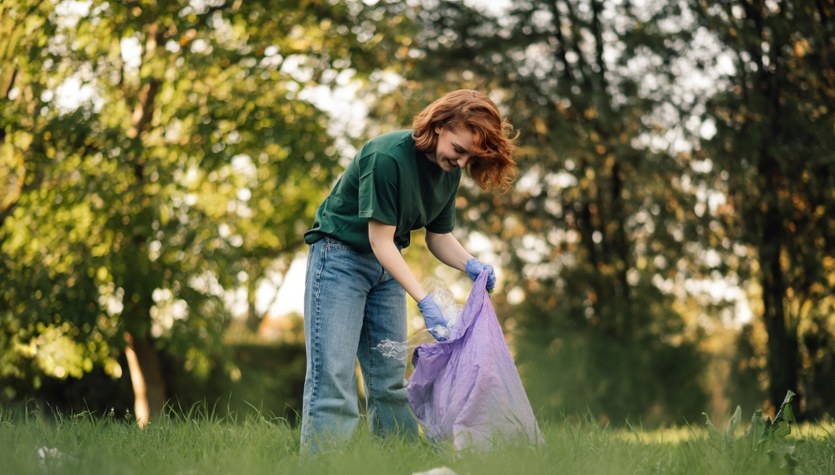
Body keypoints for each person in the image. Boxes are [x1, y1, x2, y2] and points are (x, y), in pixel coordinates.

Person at [300, 89, 517, 452]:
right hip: (339, 260)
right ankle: (325, 465)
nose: (462, 163)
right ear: (440, 125)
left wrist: (471, 265)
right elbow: (379, 240)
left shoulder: (448, 173)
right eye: (459, 150)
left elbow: (439, 236)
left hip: (386, 269)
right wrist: (424, 300)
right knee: (332, 376)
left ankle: (396, 463)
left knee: (389, 379)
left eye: (470, 157)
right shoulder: (387, 157)